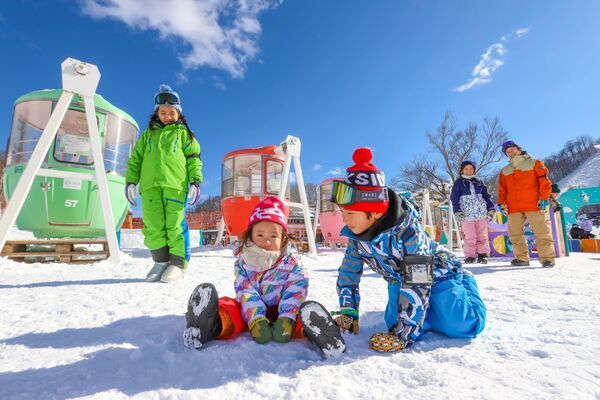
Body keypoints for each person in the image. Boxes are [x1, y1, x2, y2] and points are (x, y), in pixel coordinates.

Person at [330, 148, 486, 353]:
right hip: (399, 279)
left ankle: (465, 282)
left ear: (376, 212)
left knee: (461, 325)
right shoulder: (356, 237)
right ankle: (427, 313)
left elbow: (417, 281)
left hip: (439, 273)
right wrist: (349, 313)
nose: (344, 219)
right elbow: (348, 274)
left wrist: (404, 334)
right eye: (342, 211)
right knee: (393, 322)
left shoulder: (409, 232)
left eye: (350, 213)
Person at [183, 197, 312, 349]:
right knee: (232, 307)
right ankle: (210, 324)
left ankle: (314, 329)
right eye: (260, 235)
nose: (267, 241)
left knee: (303, 313)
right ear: (250, 235)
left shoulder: (292, 263)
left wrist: (287, 317)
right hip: (250, 308)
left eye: (273, 236)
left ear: (283, 238)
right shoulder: (244, 263)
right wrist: (256, 319)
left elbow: (296, 290)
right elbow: (246, 291)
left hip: (285, 308)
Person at [125, 85, 203, 283]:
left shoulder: (184, 134)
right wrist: (131, 181)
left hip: (175, 186)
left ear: (179, 114)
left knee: (174, 225)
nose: (167, 116)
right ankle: (160, 261)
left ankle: (177, 263)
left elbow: (194, 159)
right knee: (153, 225)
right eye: (163, 112)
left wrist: (195, 181)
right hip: (150, 187)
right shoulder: (147, 135)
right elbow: (135, 159)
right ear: (157, 112)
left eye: (172, 113)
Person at [498, 140, 555, 268]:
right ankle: (521, 258)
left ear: (518, 149)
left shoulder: (534, 162)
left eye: (513, 149)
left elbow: (544, 182)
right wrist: (501, 203)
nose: (511, 152)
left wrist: (544, 198)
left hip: (533, 203)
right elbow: (502, 189)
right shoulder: (505, 171)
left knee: (541, 232)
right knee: (515, 234)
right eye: (507, 152)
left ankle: (547, 259)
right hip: (513, 206)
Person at [450, 160, 496, 264]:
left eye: (471, 168)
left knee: (482, 235)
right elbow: (454, 199)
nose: (469, 170)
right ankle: (470, 256)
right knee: (470, 235)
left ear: (474, 170)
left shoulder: (479, 182)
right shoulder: (458, 183)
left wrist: (490, 208)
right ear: (462, 170)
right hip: (466, 214)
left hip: (481, 213)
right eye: (466, 169)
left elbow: (486, 196)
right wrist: (457, 211)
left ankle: (482, 255)